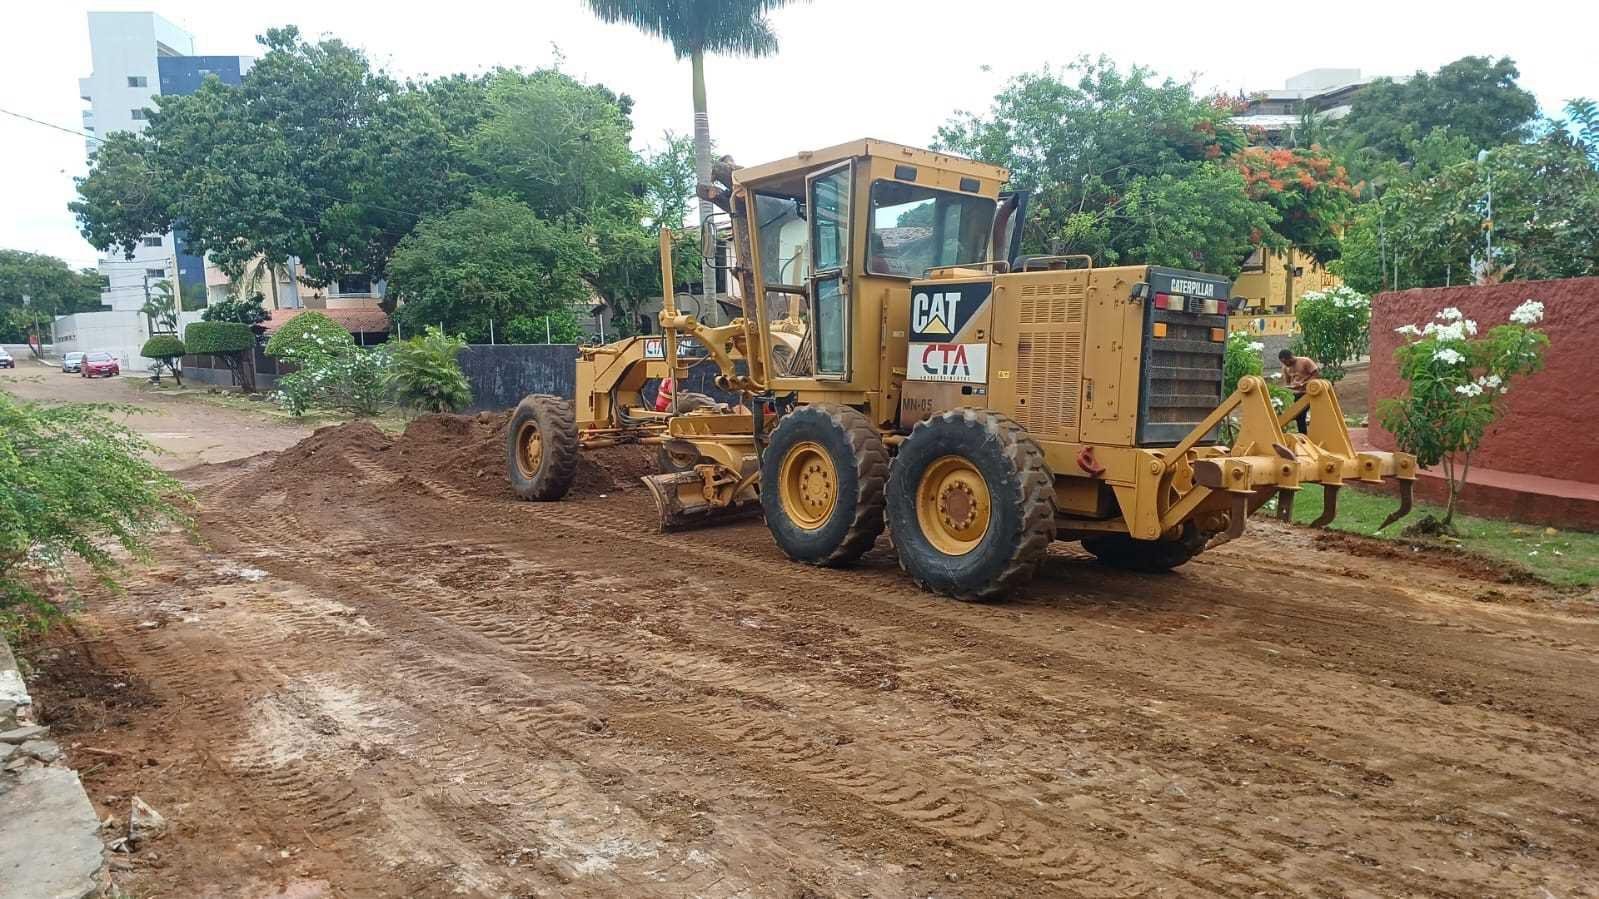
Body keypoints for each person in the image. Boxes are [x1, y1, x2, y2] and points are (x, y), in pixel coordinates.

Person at [1278, 349, 1321, 433]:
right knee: (1293, 414)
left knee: (1300, 414)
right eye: (1283, 363)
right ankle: (1302, 435)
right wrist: (1288, 388)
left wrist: (1303, 384)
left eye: (1285, 362)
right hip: (1295, 394)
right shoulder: (1285, 368)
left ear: (1290, 357)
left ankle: (1304, 435)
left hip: (1308, 393)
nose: (1285, 364)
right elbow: (1288, 383)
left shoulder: (1305, 361)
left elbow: (1316, 375)